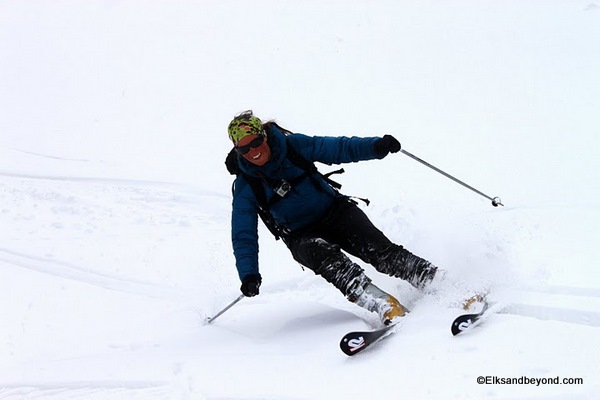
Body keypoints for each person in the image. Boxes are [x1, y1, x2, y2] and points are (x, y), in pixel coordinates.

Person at [227, 110, 441, 326]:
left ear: (263, 135)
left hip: (335, 212)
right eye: (244, 148)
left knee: (381, 252)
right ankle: (384, 304)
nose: (252, 151)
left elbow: (338, 148)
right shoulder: (246, 185)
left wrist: (376, 147)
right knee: (331, 263)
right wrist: (249, 275)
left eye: (255, 142)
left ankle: (433, 279)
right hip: (301, 235)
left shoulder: (293, 146)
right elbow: (243, 233)